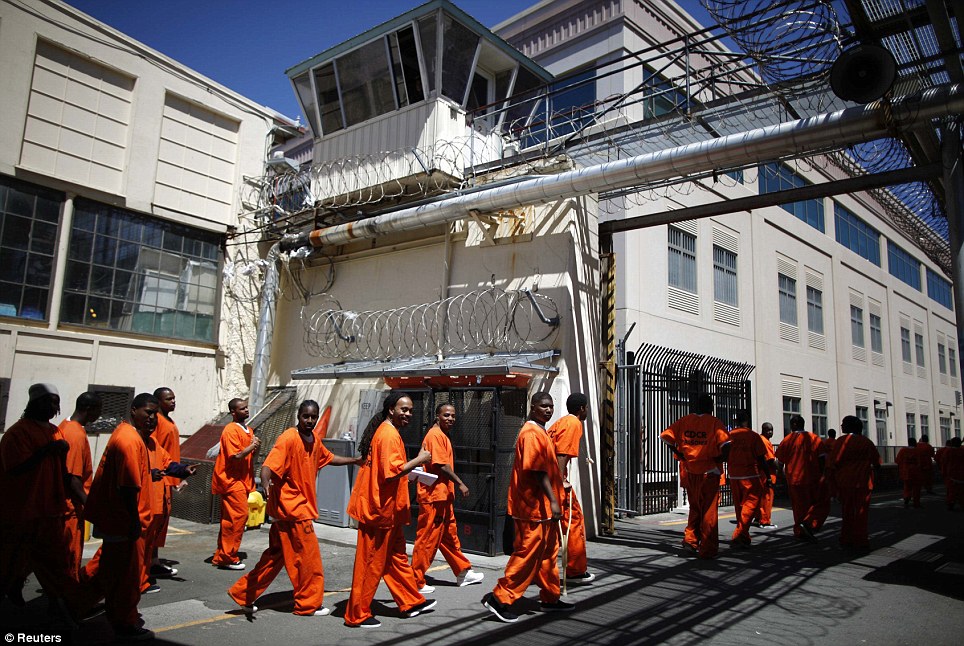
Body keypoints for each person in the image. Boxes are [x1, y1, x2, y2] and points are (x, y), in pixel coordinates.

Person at [229, 400, 360, 616]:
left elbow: (328, 458)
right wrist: (267, 486)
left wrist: (354, 460)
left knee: (274, 558)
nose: (309, 421)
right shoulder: (289, 438)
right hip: (293, 511)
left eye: (313, 417)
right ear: (298, 416)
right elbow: (268, 466)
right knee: (308, 560)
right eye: (305, 416)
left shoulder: (315, 439)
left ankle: (243, 594)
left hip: (292, 511)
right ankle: (308, 604)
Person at [345, 392, 434, 628]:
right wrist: (419, 459)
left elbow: (390, 471)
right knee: (370, 563)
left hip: (388, 510)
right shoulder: (388, 435)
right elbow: (391, 472)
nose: (408, 414)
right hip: (378, 510)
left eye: (410, 410)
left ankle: (410, 601)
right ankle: (357, 613)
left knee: (396, 558)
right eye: (403, 409)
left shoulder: (387, 432)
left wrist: (411, 474)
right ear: (390, 409)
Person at [482, 391, 572, 623]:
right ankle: (500, 598)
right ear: (533, 407)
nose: (549, 410)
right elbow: (537, 470)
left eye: (551, 406)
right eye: (544, 406)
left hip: (542, 509)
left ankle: (550, 597)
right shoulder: (532, 433)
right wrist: (553, 501)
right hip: (533, 507)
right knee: (527, 554)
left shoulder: (540, 431)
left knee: (548, 555)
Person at [81, 393, 162, 641]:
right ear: (133, 410)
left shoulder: (130, 436)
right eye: (147, 412)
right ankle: (124, 622)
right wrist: (134, 522)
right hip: (124, 520)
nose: (152, 418)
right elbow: (128, 487)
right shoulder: (129, 440)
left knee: (109, 570)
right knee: (127, 577)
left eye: (155, 414)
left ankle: (76, 603)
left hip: (118, 518)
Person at [0, 384, 73, 611]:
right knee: (12, 558)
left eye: (55, 402)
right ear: (34, 403)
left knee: (54, 559)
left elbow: (62, 469)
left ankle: (58, 600)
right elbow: (13, 469)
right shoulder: (17, 433)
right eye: (47, 401)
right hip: (22, 510)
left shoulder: (55, 430)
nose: (52, 406)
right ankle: (11, 589)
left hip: (49, 509)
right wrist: (46, 451)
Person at [410, 403, 483, 593]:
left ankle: (463, 572)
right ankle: (415, 580)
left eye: (453, 416)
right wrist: (460, 482)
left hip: (442, 495)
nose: (450, 418)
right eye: (446, 415)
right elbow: (441, 465)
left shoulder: (441, 435)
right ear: (437, 416)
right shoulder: (435, 435)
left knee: (449, 536)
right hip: (434, 496)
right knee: (427, 538)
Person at [659, 394, 730, 559]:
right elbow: (726, 446)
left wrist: (679, 453)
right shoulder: (714, 423)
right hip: (709, 472)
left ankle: (690, 540)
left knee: (695, 508)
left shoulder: (684, 421)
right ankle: (708, 548)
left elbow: (666, 438)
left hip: (691, 471)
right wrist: (720, 459)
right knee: (709, 512)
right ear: (710, 407)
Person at [547, 393, 594, 583]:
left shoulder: (561, 422)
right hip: (555, 481)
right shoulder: (574, 423)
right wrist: (560, 480)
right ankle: (575, 570)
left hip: (548, 479)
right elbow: (562, 453)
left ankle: (542, 570)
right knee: (573, 522)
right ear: (582, 408)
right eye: (587, 407)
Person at [211, 398, 261, 570]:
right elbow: (236, 456)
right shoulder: (230, 430)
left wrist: (256, 447)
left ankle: (222, 554)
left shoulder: (249, 430)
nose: (246, 411)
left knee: (231, 519)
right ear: (233, 412)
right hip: (232, 480)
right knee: (237, 518)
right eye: (242, 409)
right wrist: (252, 446)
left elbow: (250, 457)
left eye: (246, 408)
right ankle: (228, 556)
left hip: (243, 479)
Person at [58, 392, 102, 581]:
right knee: (69, 560)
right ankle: (68, 601)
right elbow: (73, 478)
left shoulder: (66, 426)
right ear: (88, 409)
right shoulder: (75, 434)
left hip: (66, 506)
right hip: (71, 508)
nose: (99, 416)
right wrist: (90, 507)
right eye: (98, 411)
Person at [828, 415, 880, 550]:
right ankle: (861, 540)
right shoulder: (866, 442)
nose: (841, 426)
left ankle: (846, 538)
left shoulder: (840, 442)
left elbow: (832, 463)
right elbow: (877, 462)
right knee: (861, 513)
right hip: (863, 482)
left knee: (847, 512)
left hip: (845, 482)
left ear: (850, 426)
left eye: (843, 423)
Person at [775, 415, 826, 542]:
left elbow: (780, 462)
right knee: (816, 503)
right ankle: (809, 524)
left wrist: (780, 475)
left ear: (793, 425)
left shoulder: (787, 440)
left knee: (798, 506)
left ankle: (799, 530)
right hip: (812, 477)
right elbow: (822, 459)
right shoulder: (814, 439)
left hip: (793, 479)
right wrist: (823, 474)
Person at [725, 410, 770, 548]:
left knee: (740, 506)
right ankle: (739, 534)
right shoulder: (753, 436)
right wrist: (767, 476)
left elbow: (723, 453)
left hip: (734, 474)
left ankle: (743, 535)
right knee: (751, 504)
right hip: (750, 474)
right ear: (747, 421)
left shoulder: (729, 436)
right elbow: (761, 457)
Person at [150, 387, 181, 580]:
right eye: (168, 399)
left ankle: (153, 561)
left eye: (174, 398)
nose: (173, 401)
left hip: (168, 479)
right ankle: (148, 564)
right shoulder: (157, 422)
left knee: (161, 524)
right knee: (154, 522)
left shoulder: (168, 420)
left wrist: (178, 476)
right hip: (159, 479)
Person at [752, 422, 778, 529]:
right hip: (766, 474)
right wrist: (778, 469)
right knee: (767, 497)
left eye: (771, 430)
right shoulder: (764, 441)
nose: (770, 432)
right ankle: (765, 521)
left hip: (760, 473)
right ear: (763, 430)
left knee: (761, 497)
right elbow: (770, 460)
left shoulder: (760, 439)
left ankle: (758, 518)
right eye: (768, 430)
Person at [896, 437, 923, 508]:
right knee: (916, 488)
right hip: (916, 471)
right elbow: (920, 462)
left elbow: (897, 460)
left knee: (907, 486)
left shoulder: (903, 450)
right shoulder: (918, 451)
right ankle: (916, 502)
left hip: (906, 471)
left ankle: (907, 497)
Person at [941, 437, 964, 510]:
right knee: (962, 491)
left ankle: (951, 503)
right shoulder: (962, 450)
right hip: (962, 474)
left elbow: (944, 462)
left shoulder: (948, 451)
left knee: (951, 490)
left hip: (951, 473)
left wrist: (943, 472)